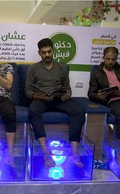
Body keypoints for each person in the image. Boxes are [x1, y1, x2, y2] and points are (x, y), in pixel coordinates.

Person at [25, 38, 86, 168]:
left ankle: (74, 149)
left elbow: (67, 87)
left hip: (58, 98)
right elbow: (28, 91)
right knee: (33, 110)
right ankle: (45, 151)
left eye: (49, 51)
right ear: (39, 53)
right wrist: (39, 96)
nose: (47, 55)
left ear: (54, 51)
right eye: (43, 52)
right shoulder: (33, 68)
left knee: (79, 111)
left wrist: (67, 94)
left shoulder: (62, 67)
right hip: (41, 99)